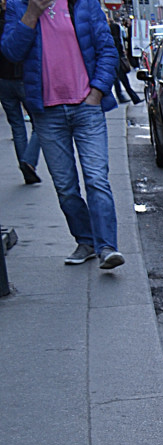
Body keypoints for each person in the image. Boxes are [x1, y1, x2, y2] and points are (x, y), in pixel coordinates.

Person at [2, 0, 125, 269]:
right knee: (66, 188)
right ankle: (86, 240)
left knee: (96, 179)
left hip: (86, 107)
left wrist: (97, 92)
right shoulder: (18, 5)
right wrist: (32, 12)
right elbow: (11, 51)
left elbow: (107, 50)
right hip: (47, 112)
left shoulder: (84, 3)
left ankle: (107, 247)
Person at [0, 0, 39, 183]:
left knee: (17, 125)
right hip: (21, 76)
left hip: (2, 79)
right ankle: (28, 161)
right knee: (40, 121)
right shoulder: (19, 18)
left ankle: (25, 163)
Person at [109, 19, 140, 105]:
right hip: (117, 62)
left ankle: (129, 97)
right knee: (124, 82)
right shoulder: (116, 40)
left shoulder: (111, 39)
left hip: (114, 62)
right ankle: (133, 98)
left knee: (117, 81)